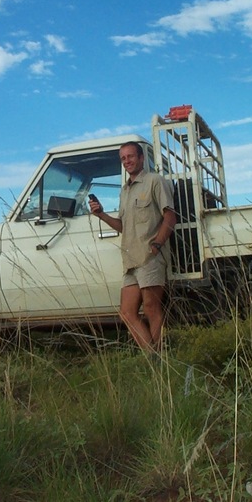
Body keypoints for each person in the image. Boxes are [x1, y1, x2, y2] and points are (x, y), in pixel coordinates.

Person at [89, 141, 176, 352]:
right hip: (130, 260)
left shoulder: (155, 181)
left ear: (141, 158)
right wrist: (101, 214)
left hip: (150, 256)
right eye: (123, 158)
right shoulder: (124, 191)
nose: (127, 161)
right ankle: (152, 356)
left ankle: (161, 360)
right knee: (127, 312)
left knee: (151, 308)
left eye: (131, 156)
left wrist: (156, 245)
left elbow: (170, 216)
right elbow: (123, 227)